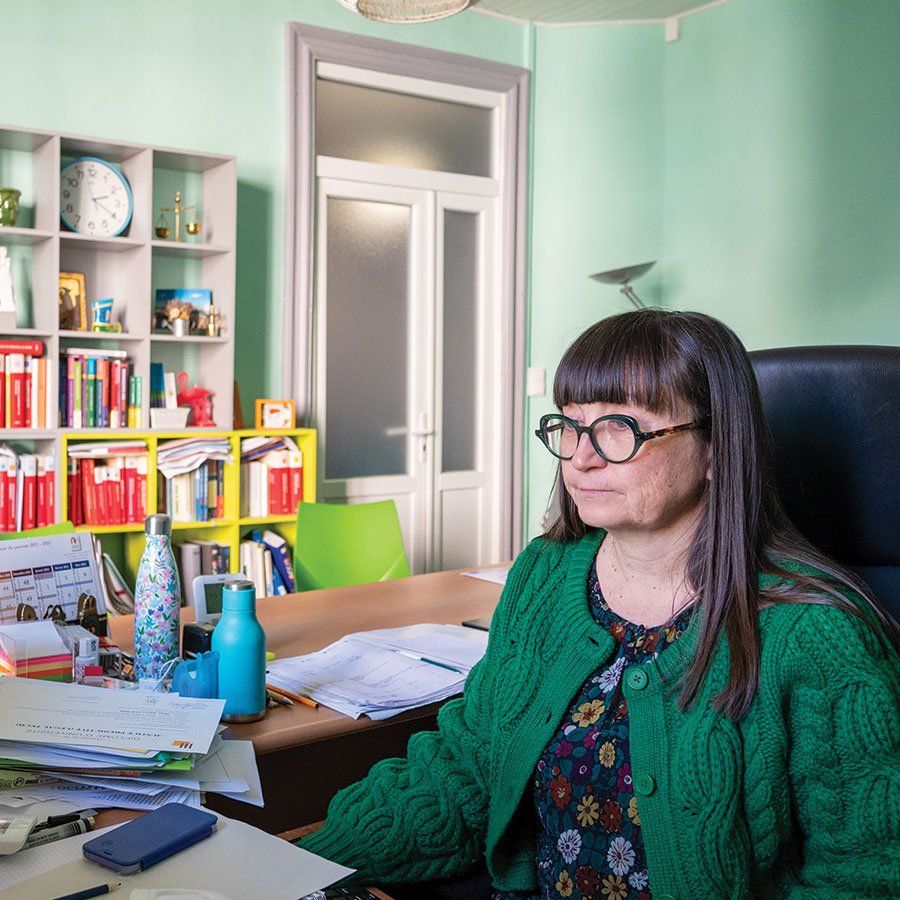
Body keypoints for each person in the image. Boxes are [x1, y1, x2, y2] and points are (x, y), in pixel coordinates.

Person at [300, 310, 899, 899]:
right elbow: (467, 768)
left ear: (716, 448)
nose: (580, 457)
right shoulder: (546, 573)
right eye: (570, 425)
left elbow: (868, 876)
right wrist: (294, 870)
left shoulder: (818, 635)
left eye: (619, 427)